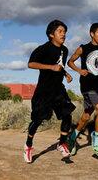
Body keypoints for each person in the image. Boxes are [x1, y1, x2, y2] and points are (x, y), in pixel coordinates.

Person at [23, 19, 75, 163]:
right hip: (44, 90)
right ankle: (28, 145)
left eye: (65, 32)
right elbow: (31, 64)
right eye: (60, 31)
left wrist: (66, 73)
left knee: (67, 115)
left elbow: (59, 64)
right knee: (38, 120)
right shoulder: (43, 48)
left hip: (58, 89)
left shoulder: (64, 50)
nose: (63, 34)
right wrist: (51, 67)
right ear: (51, 34)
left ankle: (62, 143)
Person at [67, 23, 98, 159]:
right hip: (87, 86)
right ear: (92, 34)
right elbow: (70, 61)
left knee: (86, 116)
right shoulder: (84, 48)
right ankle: (97, 144)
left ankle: (72, 138)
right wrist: (79, 71)